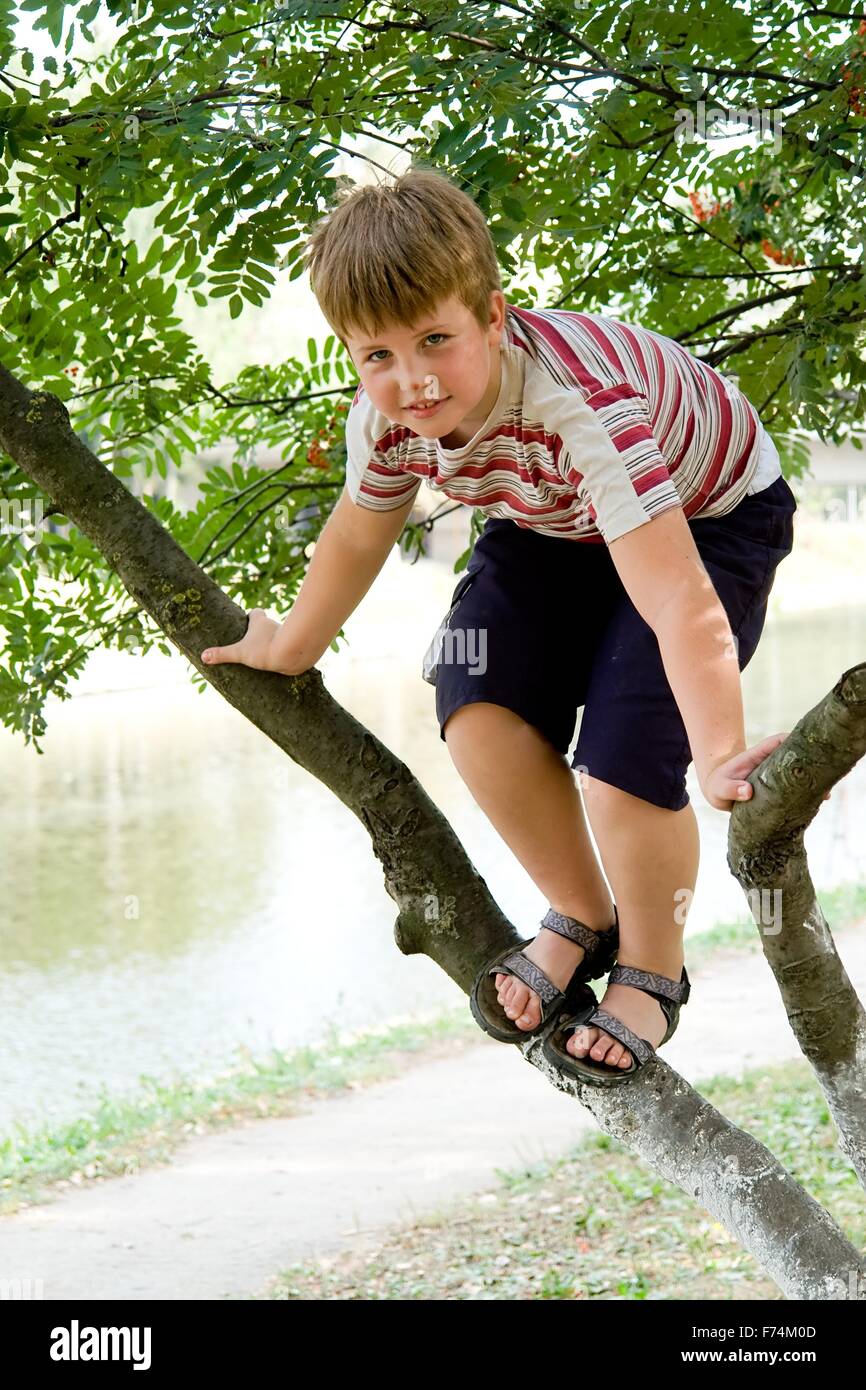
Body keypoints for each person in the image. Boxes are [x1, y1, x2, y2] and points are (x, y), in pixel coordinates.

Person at [201, 165, 806, 1085]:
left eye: (435, 339)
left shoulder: (581, 405)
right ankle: (579, 911)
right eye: (377, 356)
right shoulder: (390, 417)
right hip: (553, 519)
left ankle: (651, 968)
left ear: (493, 315)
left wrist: (718, 747)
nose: (411, 381)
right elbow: (361, 532)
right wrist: (289, 644)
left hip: (710, 513)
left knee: (623, 750)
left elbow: (678, 598)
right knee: (472, 692)